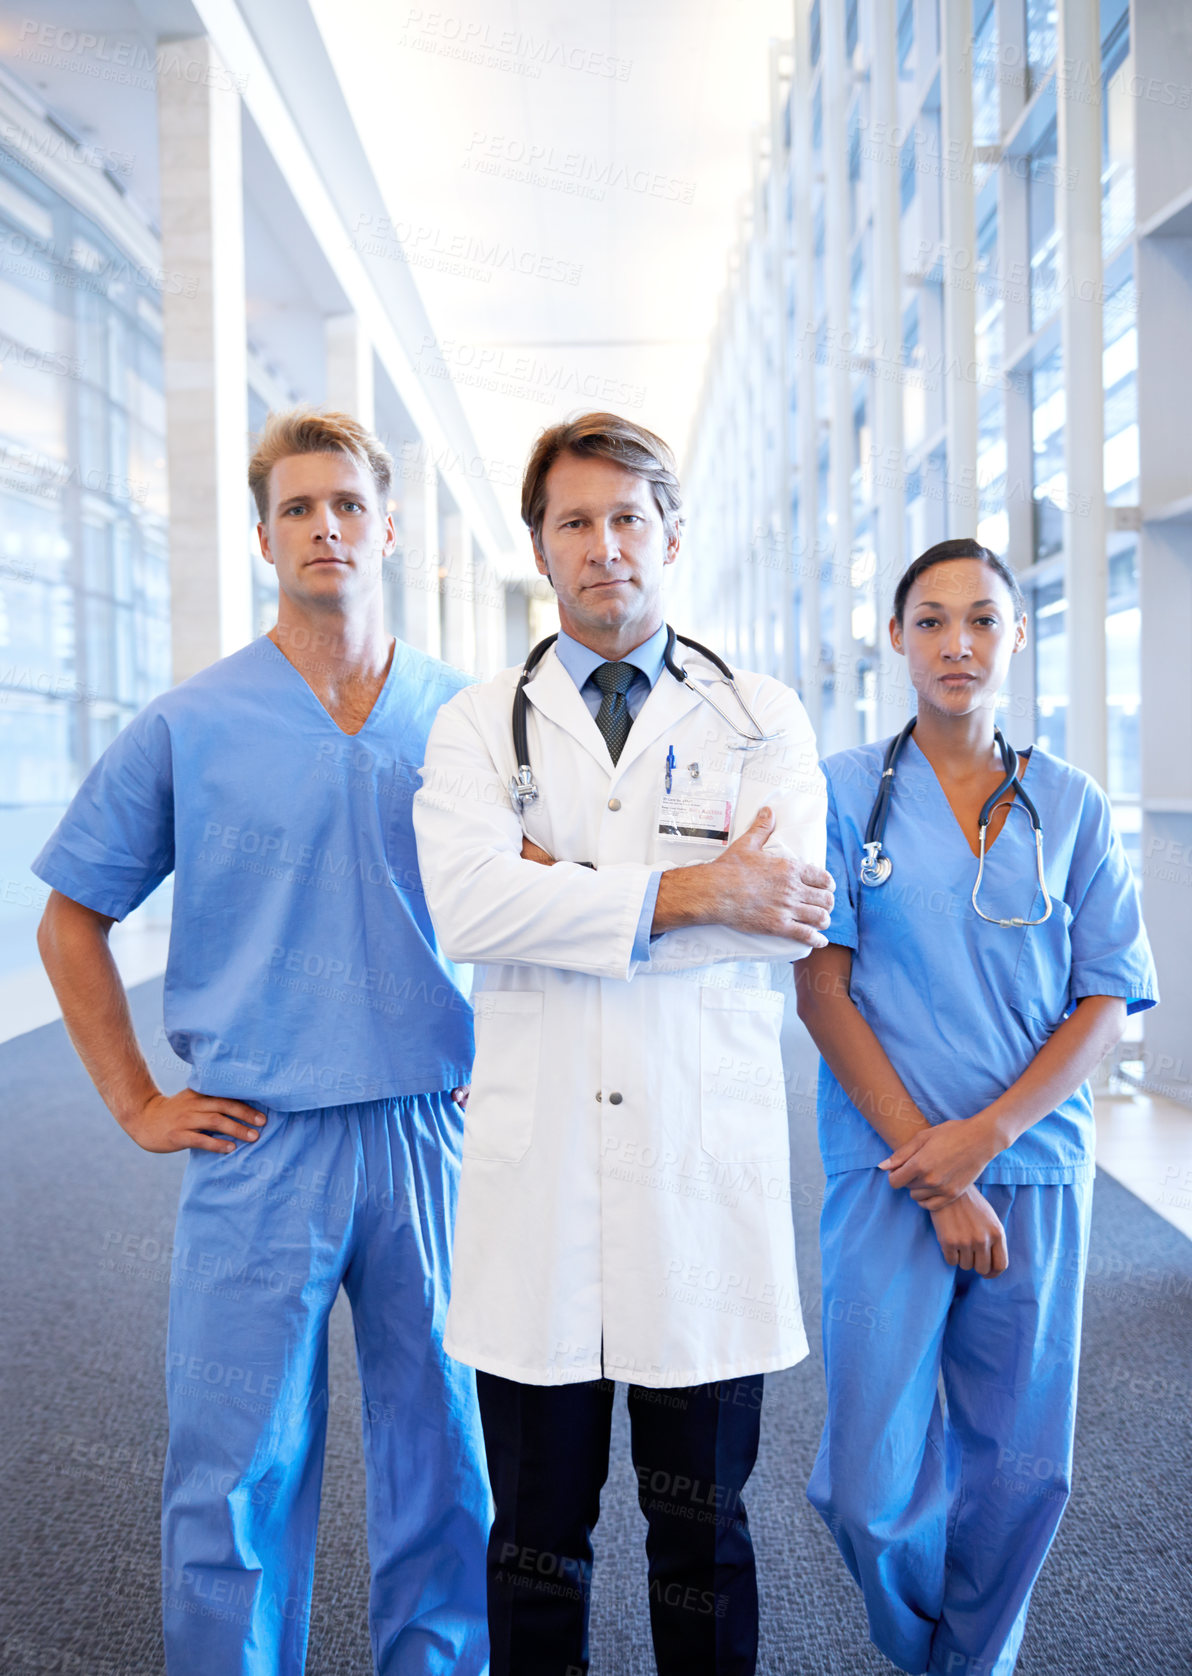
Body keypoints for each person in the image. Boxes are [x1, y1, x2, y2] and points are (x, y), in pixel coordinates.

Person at [32, 408, 490, 1676]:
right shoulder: (191, 720)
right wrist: (134, 1099)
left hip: (428, 1132)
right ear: (261, 537)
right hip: (256, 1135)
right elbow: (71, 919)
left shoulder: (464, 718)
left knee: (448, 1456)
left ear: (388, 527)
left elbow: (542, 899)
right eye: (298, 508)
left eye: (347, 503)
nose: (325, 526)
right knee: (234, 1470)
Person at [412, 411, 834, 1676]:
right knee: (535, 1539)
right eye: (574, 523)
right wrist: (688, 888)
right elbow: (470, 906)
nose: (604, 546)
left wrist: (567, 883)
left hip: (697, 1187)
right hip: (540, 1198)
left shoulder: (759, 716)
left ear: (671, 533)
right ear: (540, 549)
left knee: (702, 1536)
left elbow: (784, 915)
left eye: (627, 518)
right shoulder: (482, 724)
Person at [794, 537, 1158, 1676]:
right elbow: (820, 986)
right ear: (896, 639)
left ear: (1013, 635)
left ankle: (973, 1663)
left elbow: (1105, 994)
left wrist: (985, 1141)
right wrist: (932, 1161)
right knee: (865, 1478)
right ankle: (924, 1647)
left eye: (985, 619)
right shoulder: (843, 792)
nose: (959, 642)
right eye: (933, 619)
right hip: (888, 1167)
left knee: (1016, 1464)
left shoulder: (1070, 802)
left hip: (1034, 1164)